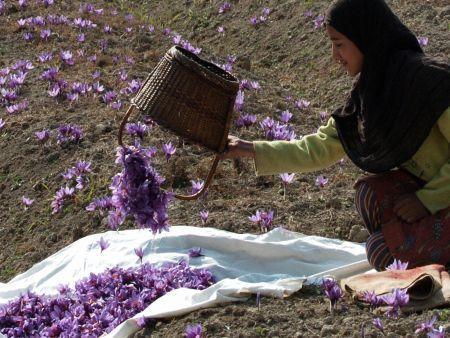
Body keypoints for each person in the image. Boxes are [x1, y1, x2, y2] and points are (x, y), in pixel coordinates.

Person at [221, 0, 450, 271]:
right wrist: (246, 148)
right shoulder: (370, 94)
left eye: (339, 44)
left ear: (366, 37)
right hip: (435, 192)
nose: (334, 56)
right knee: (370, 196)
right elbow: (317, 148)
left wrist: (427, 201)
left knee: (381, 252)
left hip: (441, 192)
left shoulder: (429, 83)